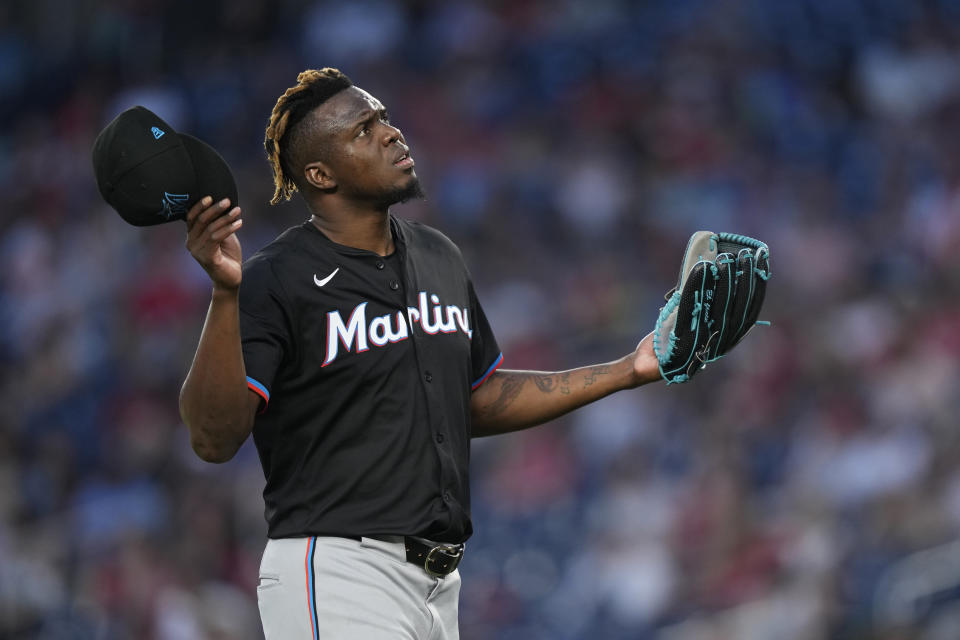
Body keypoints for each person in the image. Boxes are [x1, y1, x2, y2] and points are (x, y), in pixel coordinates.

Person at [179, 67, 661, 639]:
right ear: (319, 174)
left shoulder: (439, 256)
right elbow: (212, 439)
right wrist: (225, 293)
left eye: (384, 117)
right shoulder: (276, 279)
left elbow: (477, 397)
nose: (390, 133)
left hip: (438, 583)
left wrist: (626, 370)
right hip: (338, 571)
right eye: (363, 129)